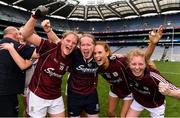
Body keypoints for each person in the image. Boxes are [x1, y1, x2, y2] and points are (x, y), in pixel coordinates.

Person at [93, 26, 164, 117]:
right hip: (115, 90)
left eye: (99, 52)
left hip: (128, 91)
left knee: (123, 116)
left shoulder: (120, 61)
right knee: (110, 113)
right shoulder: (96, 66)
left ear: (107, 53)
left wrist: (153, 44)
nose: (96, 55)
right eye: (94, 53)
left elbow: (143, 59)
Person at [20, 13, 79, 117]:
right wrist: (34, 17)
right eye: (68, 41)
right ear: (62, 40)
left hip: (55, 96)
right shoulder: (49, 47)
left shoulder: (72, 57)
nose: (70, 44)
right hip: (37, 94)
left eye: (73, 43)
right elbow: (25, 34)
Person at [44, 27, 100, 117]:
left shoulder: (98, 57)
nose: (85, 48)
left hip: (91, 95)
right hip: (74, 95)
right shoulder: (74, 53)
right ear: (79, 46)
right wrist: (48, 30)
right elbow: (58, 41)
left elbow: (108, 57)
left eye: (89, 45)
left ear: (94, 46)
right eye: (83, 45)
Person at [125, 48, 178, 118]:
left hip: (156, 105)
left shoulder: (153, 76)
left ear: (146, 64)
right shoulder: (127, 70)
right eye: (133, 64)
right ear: (129, 64)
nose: (137, 68)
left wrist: (169, 92)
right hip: (138, 101)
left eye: (141, 64)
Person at [0, 26, 35, 116]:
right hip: (7, 91)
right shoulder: (16, 45)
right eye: (19, 34)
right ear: (15, 35)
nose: (20, 36)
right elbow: (37, 53)